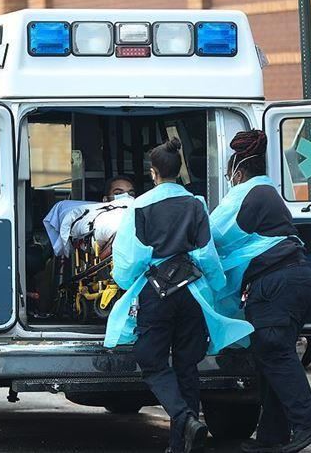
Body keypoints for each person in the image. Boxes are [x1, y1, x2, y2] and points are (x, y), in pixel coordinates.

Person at [104, 138, 253, 453]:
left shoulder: (140, 206)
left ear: (153, 173)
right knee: (187, 366)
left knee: (151, 359)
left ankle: (185, 419)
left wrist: (125, 282)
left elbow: (130, 258)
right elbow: (207, 254)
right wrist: (216, 286)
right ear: (179, 170)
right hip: (192, 293)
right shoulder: (196, 204)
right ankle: (182, 443)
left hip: (156, 293)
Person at [209, 130, 311, 453]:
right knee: (271, 354)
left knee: (274, 352)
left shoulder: (245, 194)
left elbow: (209, 235)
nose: (230, 179)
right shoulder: (269, 192)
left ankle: (308, 422)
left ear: (238, 170)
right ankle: (271, 437)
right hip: (298, 276)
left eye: (229, 173)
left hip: (276, 283)